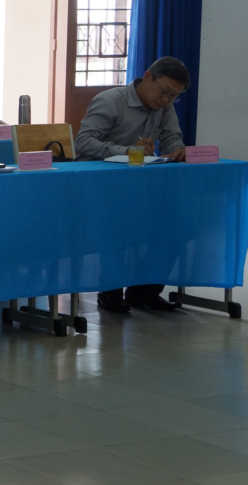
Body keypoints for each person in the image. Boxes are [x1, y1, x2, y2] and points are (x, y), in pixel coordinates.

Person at [77, 56, 190, 313]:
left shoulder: (164, 106)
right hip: (99, 185)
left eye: (174, 96)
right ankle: (110, 290)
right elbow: (83, 142)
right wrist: (127, 150)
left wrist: (178, 150)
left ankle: (145, 291)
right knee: (118, 222)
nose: (166, 100)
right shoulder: (111, 101)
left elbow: (172, 138)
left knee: (176, 221)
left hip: (139, 184)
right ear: (148, 76)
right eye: (163, 92)